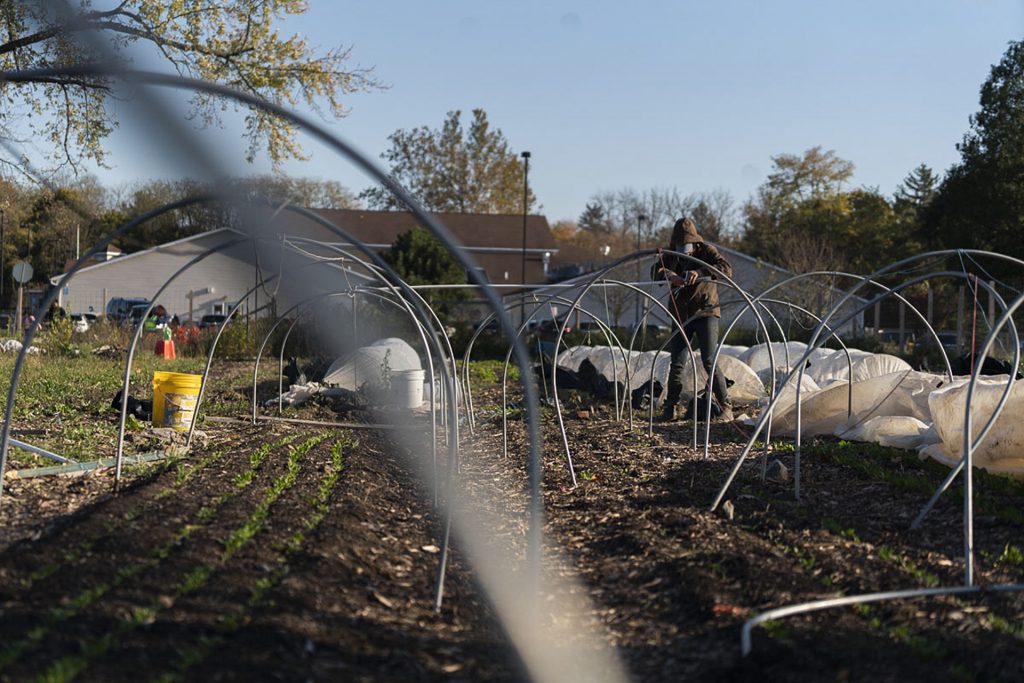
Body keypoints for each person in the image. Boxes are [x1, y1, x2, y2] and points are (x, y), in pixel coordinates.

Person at [653, 217, 734, 421]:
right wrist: (669, 275)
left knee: (708, 360)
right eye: (680, 245)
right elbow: (656, 270)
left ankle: (726, 406)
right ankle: (670, 407)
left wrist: (699, 272)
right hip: (681, 313)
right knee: (677, 362)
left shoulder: (707, 251)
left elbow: (725, 268)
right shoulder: (671, 255)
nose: (684, 250)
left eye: (687, 245)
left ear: (696, 242)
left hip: (705, 311)